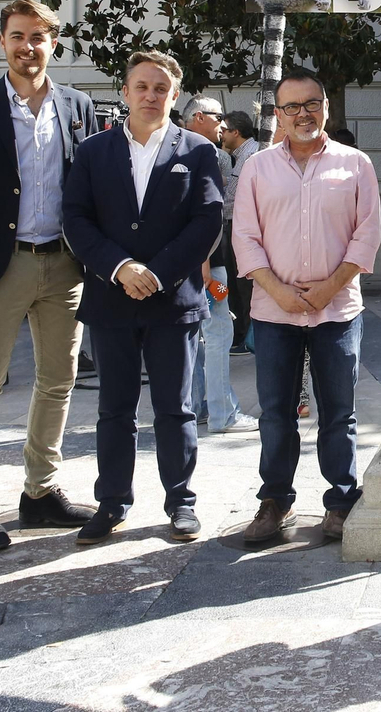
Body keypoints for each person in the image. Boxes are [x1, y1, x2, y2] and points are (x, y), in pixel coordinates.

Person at [0, 0, 98, 551]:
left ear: (54, 42)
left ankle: (40, 492)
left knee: (59, 381)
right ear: (2, 42)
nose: (28, 47)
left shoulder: (78, 106)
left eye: (38, 37)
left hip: (64, 265)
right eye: (17, 36)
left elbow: (91, 190)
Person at [63, 52, 224, 543]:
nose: (151, 96)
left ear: (175, 96)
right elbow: (76, 219)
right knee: (114, 408)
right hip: (111, 300)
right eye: (142, 86)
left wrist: (157, 273)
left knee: (176, 407)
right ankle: (111, 502)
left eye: (161, 89)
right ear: (126, 91)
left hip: (172, 301)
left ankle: (181, 501)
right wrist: (120, 268)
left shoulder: (198, 150)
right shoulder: (93, 151)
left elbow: (207, 222)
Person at [233, 68, 380, 544]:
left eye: (311, 103)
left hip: (336, 310)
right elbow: (244, 236)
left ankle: (340, 502)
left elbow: (367, 233)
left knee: (339, 412)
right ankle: (275, 503)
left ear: (326, 107)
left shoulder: (356, 164)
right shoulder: (257, 167)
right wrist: (276, 289)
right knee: (276, 412)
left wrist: (330, 286)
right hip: (273, 311)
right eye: (291, 106)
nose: (303, 114)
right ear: (278, 114)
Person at [181, 96, 257, 434]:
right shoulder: (206, 153)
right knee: (218, 334)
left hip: (193, 264)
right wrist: (206, 264)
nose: (222, 125)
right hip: (211, 267)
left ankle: (197, 408)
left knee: (197, 338)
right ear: (199, 117)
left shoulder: (173, 148)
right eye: (217, 117)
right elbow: (205, 214)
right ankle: (223, 413)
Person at [219, 110, 259, 354]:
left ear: (236, 132)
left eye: (224, 129)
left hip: (241, 225)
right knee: (235, 283)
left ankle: (247, 336)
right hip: (232, 223)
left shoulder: (252, 155)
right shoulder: (238, 155)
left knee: (243, 284)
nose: (220, 133)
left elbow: (238, 196)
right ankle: (241, 334)